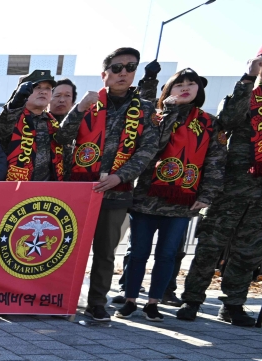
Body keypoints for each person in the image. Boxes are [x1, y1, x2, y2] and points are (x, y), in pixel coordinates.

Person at [177, 35, 262, 327]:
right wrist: (247, 78)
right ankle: (192, 299)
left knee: (249, 249)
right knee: (210, 245)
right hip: (232, 186)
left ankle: (233, 304)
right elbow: (226, 121)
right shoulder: (246, 92)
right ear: (259, 60)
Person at [56, 47, 161, 324]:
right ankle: (59, 298)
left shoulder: (146, 109)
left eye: (129, 67)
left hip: (117, 192)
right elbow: (62, 137)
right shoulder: (89, 102)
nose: (123, 72)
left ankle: (97, 303)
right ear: (105, 74)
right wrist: (78, 110)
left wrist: (121, 176)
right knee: (67, 248)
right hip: (79, 191)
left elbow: (147, 151)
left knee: (105, 252)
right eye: (116, 68)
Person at [115, 68, 226, 322]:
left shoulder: (210, 122)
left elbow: (216, 162)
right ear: (169, 91)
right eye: (179, 85)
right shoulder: (156, 117)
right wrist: (169, 112)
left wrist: (207, 195)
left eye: (191, 84)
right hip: (147, 197)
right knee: (138, 252)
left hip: (182, 200)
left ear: (199, 90)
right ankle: (130, 299)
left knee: (167, 254)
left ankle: (153, 303)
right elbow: (153, 146)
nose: (185, 88)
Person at [0, 69, 64, 182]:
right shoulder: (11, 117)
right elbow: (1, 129)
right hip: (14, 190)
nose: (44, 92)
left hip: (47, 194)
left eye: (48, 88)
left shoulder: (54, 123)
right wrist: (16, 102)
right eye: (37, 87)